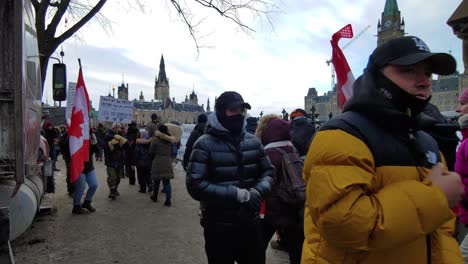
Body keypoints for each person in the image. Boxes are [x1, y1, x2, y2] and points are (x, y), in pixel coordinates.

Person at [301, 36, 464, 263]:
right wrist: (435, 196)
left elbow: (440, 234)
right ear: (377, 78)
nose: (424, 81)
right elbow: (343, 225)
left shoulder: (425, 141)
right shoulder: (341, 135)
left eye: (427, 73)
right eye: (409, 70)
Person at [186, 91, 274, 264]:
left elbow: (269, 173)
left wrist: (257, 192)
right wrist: (234, 194)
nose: (239, 115)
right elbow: (195, 185)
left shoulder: (253, 142)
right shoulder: (204, 144)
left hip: (250, 224)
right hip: (218, 226)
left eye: (242, 110)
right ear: (220, 112)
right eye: (234, 110)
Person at [255, 116, 304, 264]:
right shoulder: (293, 149)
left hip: (271, 210)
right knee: (296, 250)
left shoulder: (267, 153)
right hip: (293, 208)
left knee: (257, 249)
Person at [149, 125, 178, 206]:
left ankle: (155, 196)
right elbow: (173, 151)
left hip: (157, 161)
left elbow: (151, 151)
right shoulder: (170, 141)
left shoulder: (155, 139)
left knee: (156, 181)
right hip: (167, 161)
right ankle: (168, 200)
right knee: (167, 182)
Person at [72, 129, 99, 214]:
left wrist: (94, 144)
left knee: (94, 185)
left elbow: (95, 151)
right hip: (79, 167)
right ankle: (76, 206)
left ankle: (87, 202)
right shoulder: (74, 134)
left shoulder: (89, 136)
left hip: (89, 166)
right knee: (81, 187)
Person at [104, 123, 128, 200]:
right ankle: (112, 192)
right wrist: (110, 144)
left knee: (118, 177)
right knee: (112, 177)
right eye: (115, 128)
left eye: (118, 128)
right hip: (110, 160)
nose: (117, 129)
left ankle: (115, 189)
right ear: (113, 128)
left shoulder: (123, 135)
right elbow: (103, 146)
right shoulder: (108, 136)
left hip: (120, 160)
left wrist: (121, 140)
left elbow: (127, 147)